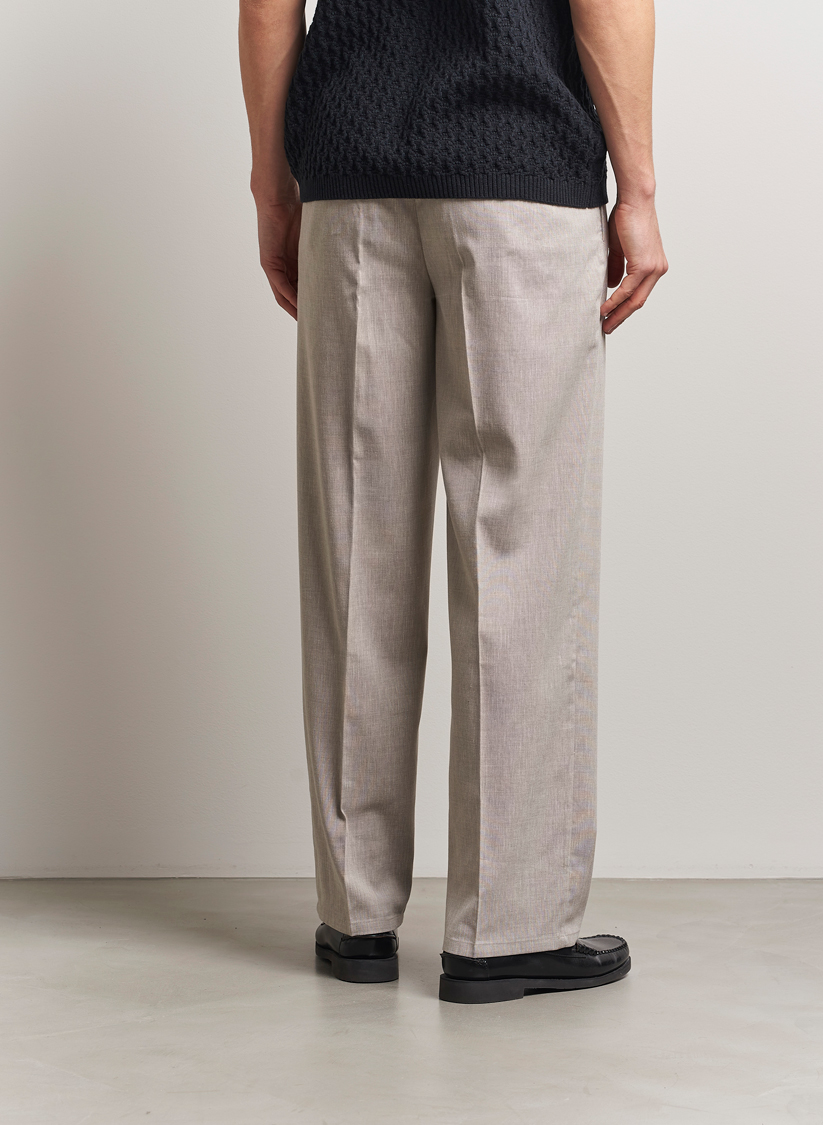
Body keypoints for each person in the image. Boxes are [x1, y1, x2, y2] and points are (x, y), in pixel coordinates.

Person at [238, 0, 667, 1005]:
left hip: (350, 176)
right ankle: (506, 930)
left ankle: (356, 918)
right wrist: (640, 188)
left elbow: (266, 5)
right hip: (520, 172)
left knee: (357, 546)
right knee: (521, 546)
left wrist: (272, 183)